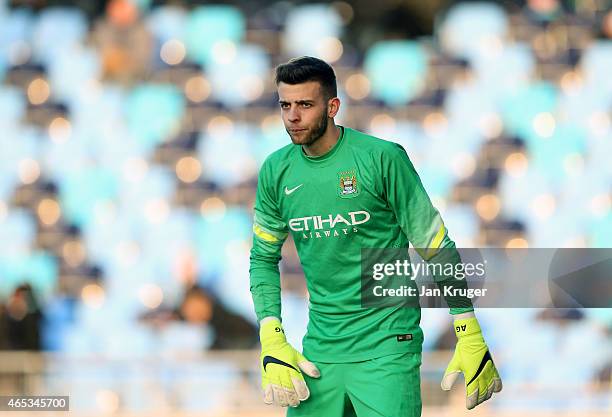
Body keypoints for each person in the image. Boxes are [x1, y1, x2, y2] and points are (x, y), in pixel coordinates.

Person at [249, 56, 502, 416]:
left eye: (305, 104)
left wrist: (467, 328)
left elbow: (435, 246)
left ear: (333, 106)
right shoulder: (276, 171)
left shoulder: (382, 159)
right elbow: (262, 258)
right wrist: (271, 335)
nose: (293, 116)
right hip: (321, 350)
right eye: (285, 105)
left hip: (387, 348)